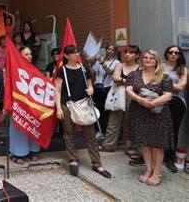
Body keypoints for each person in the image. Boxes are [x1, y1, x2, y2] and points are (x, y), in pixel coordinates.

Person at [55, 45, 111, 178]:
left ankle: (97, 163)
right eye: (73, 53)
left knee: (90, 134)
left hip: (84, 104)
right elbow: (57, 90)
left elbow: (90, 84)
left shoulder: (84, 69)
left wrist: (91, 89)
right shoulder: (62, 70)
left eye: (77, 52)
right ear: (67, 56)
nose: (76, 54)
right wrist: (58, 108)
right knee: (69, 133)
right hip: (67, 105)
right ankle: (73, 159)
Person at [126, 49, 173, 186]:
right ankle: (147, 169)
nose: (147, 60)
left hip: (158, 115)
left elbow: (168, 95)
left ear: (156, 61)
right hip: (139, 113)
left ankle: (157, 172)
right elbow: (128, 90)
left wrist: (152, 102)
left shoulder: (164, 77)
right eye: (145, 57)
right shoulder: (134, 74)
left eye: (151, 58)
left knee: (157, 144)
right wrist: (140, 100)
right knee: (145, 142)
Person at [100, 45, 140, 152]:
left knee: (131, 121)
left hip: (133, 96)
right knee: (113, 121)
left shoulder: (140, 68)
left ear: (137, 55)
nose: (127, 54)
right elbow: (115, 79)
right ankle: (108, 145)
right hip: (118, 95)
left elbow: (139, 84)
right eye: (126, 52)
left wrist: (122, 80)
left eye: (130, 52)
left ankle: (131, 148)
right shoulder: (119, 65)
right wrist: (129, 81)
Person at [8, 47, 40, 164]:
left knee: (31, 127)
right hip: (18, 103)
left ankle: (32, 151)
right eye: (26, 54)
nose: (29, 56)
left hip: (32, 104)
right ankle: (15, 153)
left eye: (30, 54)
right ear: (20, 56)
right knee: (18, 129)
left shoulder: (34, 69)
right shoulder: (13, 69)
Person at [162, 45, 187, 173]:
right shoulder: (159, 67)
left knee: (173, 131)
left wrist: (164, 85)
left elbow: (181, 86)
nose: (173, 55)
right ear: (166, 54)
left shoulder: (183, 69)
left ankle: (170, 159)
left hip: (177, 102)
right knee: (157, 129)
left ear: (179, 55)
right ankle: (150, 156)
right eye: (170, 52)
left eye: (176, 53)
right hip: (161, 102)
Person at [92, 44, 120, 134]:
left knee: (107, 110)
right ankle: (99, 131)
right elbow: (93, 72)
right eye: (108, 49)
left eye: (112, 50)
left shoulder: (116, 62)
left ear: (114, 51)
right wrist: (88, 63)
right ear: (106, 49)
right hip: (98, 87)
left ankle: (107, 132)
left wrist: (101, 62)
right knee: (98, 109)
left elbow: (109, 71)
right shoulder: (99, 60)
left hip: (109, 88)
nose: (110, 51)